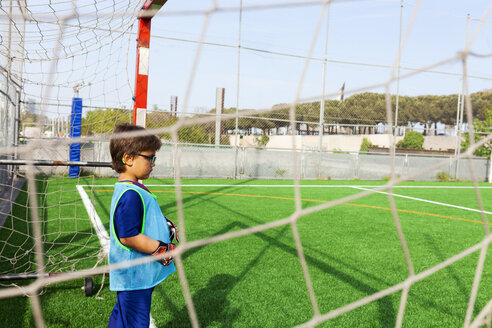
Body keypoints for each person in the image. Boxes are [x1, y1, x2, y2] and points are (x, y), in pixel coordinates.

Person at [108, 123, 178, 328]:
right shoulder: (130, 194)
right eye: (149, 158)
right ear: (128, 158)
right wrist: (161, 249)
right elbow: (128, 236)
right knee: (135, 321)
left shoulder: (133, 188)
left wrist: (163, 225)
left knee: (123, 317)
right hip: (135, 277)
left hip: (137, 276)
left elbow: (141, 220)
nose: (153, 163)